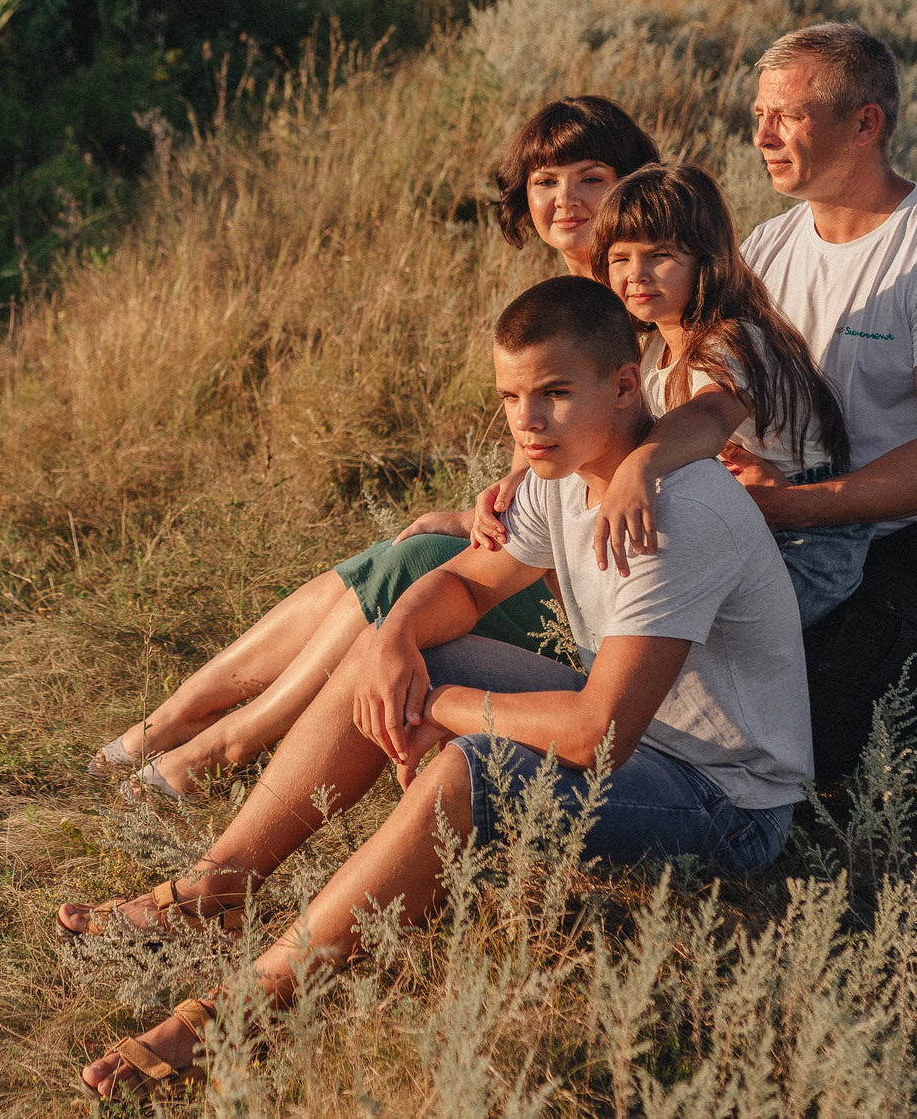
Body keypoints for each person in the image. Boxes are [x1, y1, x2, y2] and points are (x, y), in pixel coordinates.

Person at [69, 276, 810, 1097]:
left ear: (625, 383)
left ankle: (240, 1008)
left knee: (470, 768)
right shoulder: (562, 470)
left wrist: (446, 711)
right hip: (635, 735)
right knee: (391, 653)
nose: (528, 421)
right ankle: (221, 883)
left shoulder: (680, 513)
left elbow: (596, 735)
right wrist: (392, 639)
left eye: (556, 394)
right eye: (512, 396)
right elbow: (466, 586)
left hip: (722, 796)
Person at [89, 97, 661, 803]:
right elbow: (541, 472)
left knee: (411, 566)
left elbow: (607, 464)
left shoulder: (641, 299)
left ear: (631, 184)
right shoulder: (561, 298)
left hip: (600, 579)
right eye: (546, 181)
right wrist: (469, 514)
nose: (565, 199)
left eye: (590, 177)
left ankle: (228, 740)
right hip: (542, 547)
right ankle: (181, 713)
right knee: (398, 552)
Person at [727, 22, 917, 780]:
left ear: (866, 122)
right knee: (706, 696)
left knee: (802, 742)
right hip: (792, 529)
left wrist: (792, 508)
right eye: (758, 112)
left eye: (787, 114)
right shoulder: (764, 249)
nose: (763, 134)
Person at [586, 162, 871, 628]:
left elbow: (711, 414)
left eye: (659, 255)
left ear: (705, 260)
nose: (636, 274)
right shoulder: (652, 344)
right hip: (741, 523)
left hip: (807, 544)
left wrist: (641, 464)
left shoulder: (731, 339)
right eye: (620, 258)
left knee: (687, 634)